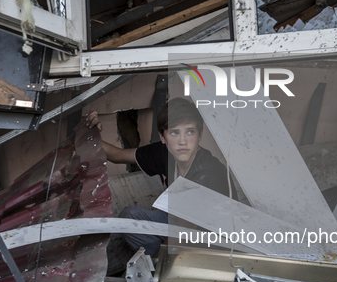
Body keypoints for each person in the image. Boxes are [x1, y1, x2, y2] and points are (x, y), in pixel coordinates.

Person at [86, 97, 234, 255]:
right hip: (180, 223)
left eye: (190, 132)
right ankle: (160, 264)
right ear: (163, 137)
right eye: (174, 133)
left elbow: (181, 235)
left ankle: (164, 268)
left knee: (170, 255)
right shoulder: (165, 153)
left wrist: (154, 267)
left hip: (214, 239)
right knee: (130, 218)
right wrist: (91, 136)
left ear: (200, 135)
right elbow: (118, 155)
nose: (183, 141)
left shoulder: (207, 175)